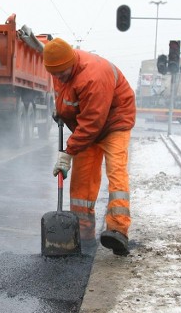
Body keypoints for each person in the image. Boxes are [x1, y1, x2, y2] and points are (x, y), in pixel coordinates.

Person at [43, 37, 136, 256]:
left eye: (61, 73)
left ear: (72, 63)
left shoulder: (93, 76)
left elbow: (93, 122)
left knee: (116, 172)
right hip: (87, 126)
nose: (58, 77)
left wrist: (68, 152)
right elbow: (69, 99)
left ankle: (118, 230)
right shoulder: (60, 70)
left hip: (115, 121)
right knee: (82, 181)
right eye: (54, 74)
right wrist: (61, 112)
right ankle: (83, 235)